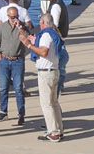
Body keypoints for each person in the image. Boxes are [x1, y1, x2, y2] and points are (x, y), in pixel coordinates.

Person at [24, 11, 64, 140]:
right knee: (54, 102)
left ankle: (53, 132)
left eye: (40, 22)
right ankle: (59, 128)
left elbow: (44, 51)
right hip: (54, 70)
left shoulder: (46, 35)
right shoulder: (54, 34)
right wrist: (35, 41)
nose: (39, 25)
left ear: (43, 23)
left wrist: (29, 45)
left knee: (46, 104)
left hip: (46, 72)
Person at [0, 4, 27, 125]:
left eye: (16, 16)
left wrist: (21, 28)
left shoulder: (22, 26)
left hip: (17, 61)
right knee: (3, 87)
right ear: (8, 16)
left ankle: (21, 113)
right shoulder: (2, 27)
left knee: (18, 88)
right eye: (12, 17)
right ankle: (3, 112)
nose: (15, 19)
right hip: (4, 60)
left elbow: (29, 38)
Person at [45, 0, 70, 91]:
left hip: (57, 38)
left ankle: (58, 87)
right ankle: (59, 85)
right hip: (60, 37)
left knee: (59, 64)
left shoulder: (55, 6)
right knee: (61, 62)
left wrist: (50, 38)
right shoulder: (59, 3)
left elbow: (54, 24)